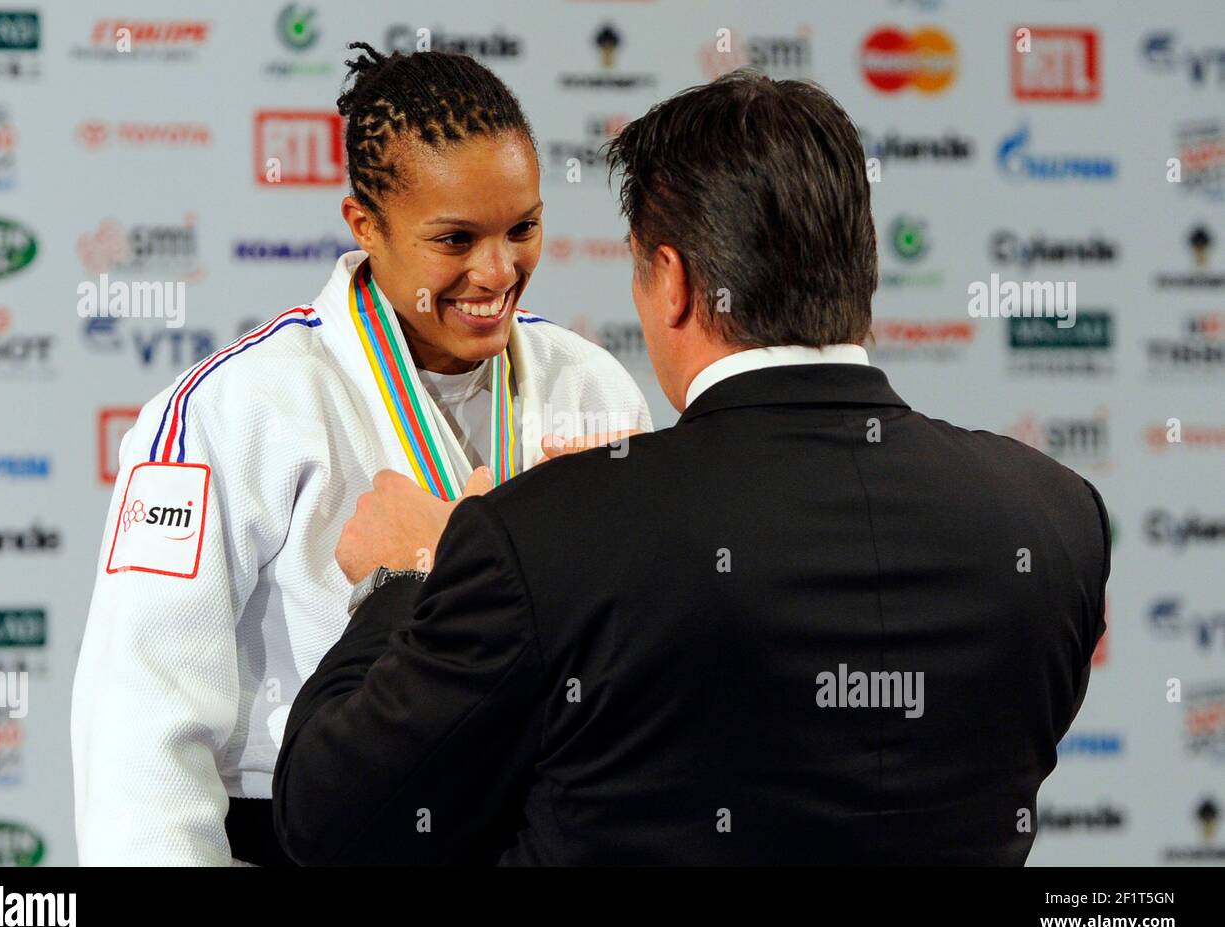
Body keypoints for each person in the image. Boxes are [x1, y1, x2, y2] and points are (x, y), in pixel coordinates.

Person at [272, 72, 1111, 866]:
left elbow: (330, 821)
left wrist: (409, 572)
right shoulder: (1057, 519)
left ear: (670, 283)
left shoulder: (541, 535)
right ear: (865, 264)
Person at [71, 43, 651, 866]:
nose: (499, 269)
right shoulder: (233, 410)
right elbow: (140, 727)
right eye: (455, 239)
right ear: (365, 225)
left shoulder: (593, 392)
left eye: (523, 227)